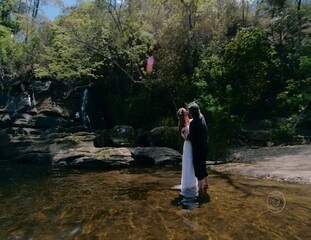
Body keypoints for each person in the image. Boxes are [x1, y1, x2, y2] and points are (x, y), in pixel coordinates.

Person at [177, 108, 199, 198]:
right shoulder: (182, 127)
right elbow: (186, 138)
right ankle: (188, 184)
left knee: (193, 164)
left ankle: (194, 182)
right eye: (186, 112)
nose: (187, 112)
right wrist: (187, 130)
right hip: (188, 146)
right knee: (188, 164)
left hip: (192, 146)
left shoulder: (190, 121)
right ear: (184, 115)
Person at [187, 102, 209, 194]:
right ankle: (206, 184)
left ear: (192, 113)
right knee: (203, 166)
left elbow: (189, 138)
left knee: (198, 169)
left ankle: (200, 191)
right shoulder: (201, 116)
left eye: (190, 112)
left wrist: (183, 134)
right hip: (204, 146)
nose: (189, 113)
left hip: (197, 149)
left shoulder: (194, 124)